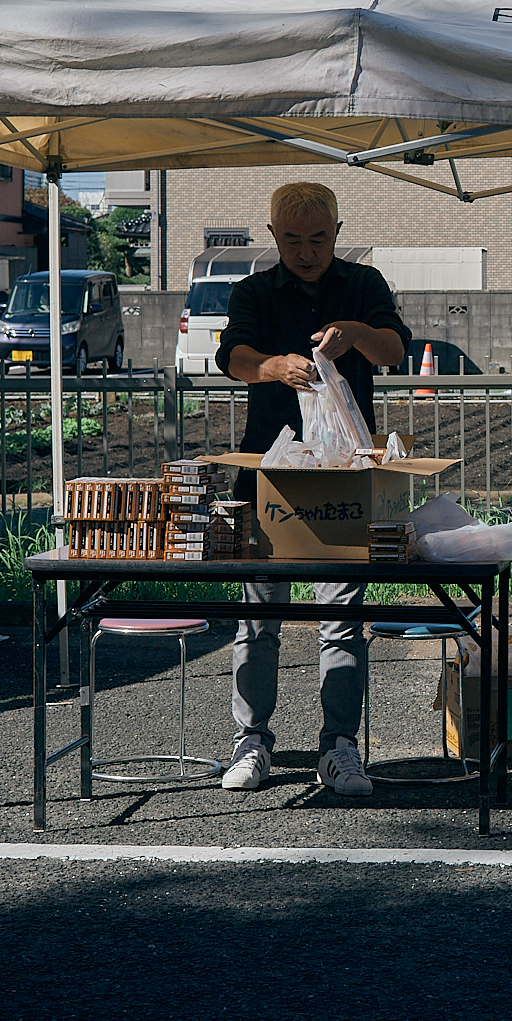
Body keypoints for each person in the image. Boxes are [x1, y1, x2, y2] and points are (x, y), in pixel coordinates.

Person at [213, 182, 412, 796]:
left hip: (344, 477)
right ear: (273, 237)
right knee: (257, 618)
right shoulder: (251, 290)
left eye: (318, 240)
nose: (306, 252)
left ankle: (341, 746)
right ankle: (251, 742)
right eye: (293, 240)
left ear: (338, 233)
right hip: (265, 477)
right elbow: (231, 355)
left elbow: (395, 352)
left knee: (342, 619)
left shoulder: (364, 286)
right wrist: (270, 366)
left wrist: (353, 333)